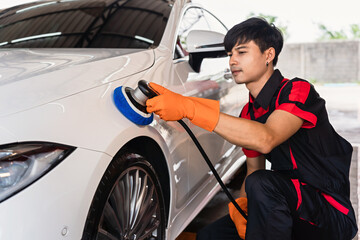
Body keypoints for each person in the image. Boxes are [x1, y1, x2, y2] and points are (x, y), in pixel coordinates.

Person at [146, 17, 358, 240]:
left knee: (264, 184)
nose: (232, 61)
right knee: (210, 236)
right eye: (230, 55)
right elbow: (253, 170)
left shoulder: (297, 90)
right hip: (286, 205)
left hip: (329, 215)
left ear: (269, 55)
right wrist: (243, 206)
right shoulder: (249, 112)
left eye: (242, 52)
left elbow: (267, 138)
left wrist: (190, 107)